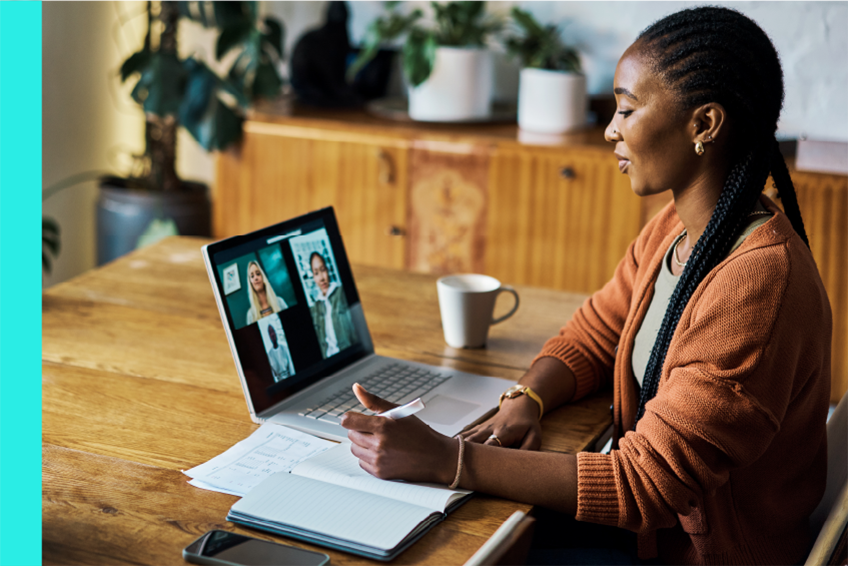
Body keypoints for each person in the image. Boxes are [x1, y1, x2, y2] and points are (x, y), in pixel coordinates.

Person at [340, 7, 832, 566]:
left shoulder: (758, 286)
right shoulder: (679, 228)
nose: (610, 129)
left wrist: (449, 460)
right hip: (652, 532)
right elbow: (599, 331)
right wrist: (526, 398)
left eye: (626, 108)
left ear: (704, 125)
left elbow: (646, 484)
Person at [309, 252, 357, 358]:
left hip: (350, 357)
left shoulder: (342, 293)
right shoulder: (315, 308)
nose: (321, 278)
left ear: (328, 270)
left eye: (323, 270)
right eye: (316, 273)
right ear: (313, 277)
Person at [245, 260, 286, 326]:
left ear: (263, 277)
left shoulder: (280, 302)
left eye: (258, 274)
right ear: (250, 282)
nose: (255, 278)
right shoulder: (250, 315)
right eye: (252, 276)